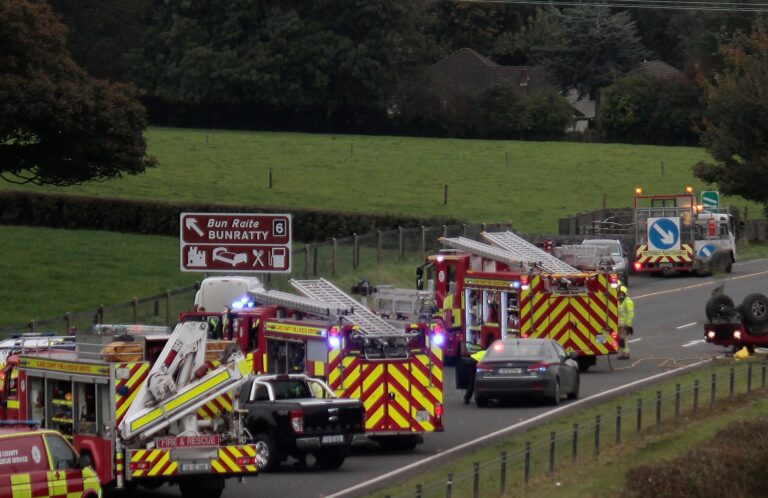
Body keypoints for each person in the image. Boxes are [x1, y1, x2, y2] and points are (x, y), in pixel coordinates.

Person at [617, 285, 634, 360]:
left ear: (624, 294)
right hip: (618, 323)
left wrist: (628, 325)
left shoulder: (628, 301)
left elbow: (630, 314)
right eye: (619, 293)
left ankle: (625, 354)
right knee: (621, 339)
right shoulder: (618, 301)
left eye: (621, 293)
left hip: (624, 324)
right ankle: (624, 353)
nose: (620, 295)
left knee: (622, 339)